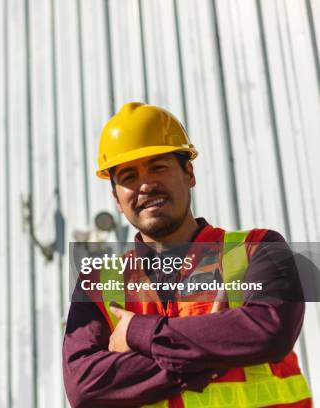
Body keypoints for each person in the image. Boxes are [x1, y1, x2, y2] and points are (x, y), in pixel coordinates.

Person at [63, 102, 312, 407]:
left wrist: (138, 333)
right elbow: (85, 388)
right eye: (128, 176)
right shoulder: (97, 284)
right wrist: (210, 353)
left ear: (189, 173)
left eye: (158, 166)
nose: (145, 185)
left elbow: (268, 332)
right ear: (116, 198)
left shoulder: (258, 249)